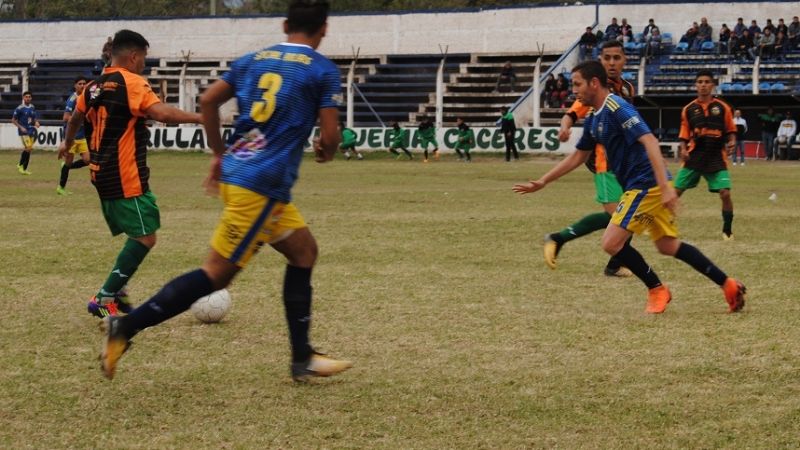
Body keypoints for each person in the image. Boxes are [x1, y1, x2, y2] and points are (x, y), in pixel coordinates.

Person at [98, 2, 353, 383]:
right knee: (215, 275)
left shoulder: (253, 59)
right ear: (325, 29)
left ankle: (302, 357)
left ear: (285, 24)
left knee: (304, 252)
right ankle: (126, 327)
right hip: (260, 186)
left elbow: (207, 100)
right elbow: (330, 137)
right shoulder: (322, 70)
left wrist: (220, 153)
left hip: (244, 174)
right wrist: (326, 149)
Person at [513, 60, 746, 315]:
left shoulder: (618, 107)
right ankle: (728, 285)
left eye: (577, 84)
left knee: (611, 243)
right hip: (645, 185)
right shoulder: (593, 118)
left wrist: (666, 189)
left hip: (645, 184)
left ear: (594, 83)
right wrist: (543, 181)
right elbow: (578, 156)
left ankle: (657, 289)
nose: (574, 91)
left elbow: (650, 142)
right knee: (667, 246)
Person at [58, 30, 202, 319]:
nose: (144, 66)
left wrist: (66, 142)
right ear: (134, 56)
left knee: (141, 228)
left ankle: (118, 289)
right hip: (123, 174)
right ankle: (104, 297)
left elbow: (76, 117)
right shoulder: (133, 82)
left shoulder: (94, 86)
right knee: (145, 237)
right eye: (144, 59)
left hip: (101, 173)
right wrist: (202, 117)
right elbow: (161, 114)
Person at [547, 39, 635, 277]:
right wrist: (564, 127)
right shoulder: (594, 87)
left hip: (625, 161)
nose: (612, 63)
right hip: (603, 161)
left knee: (628, 214)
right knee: (619, 216)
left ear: (625, 59)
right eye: (607, 58)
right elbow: (572, 112)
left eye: (617, 58)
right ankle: (560, 238)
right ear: (600, 60)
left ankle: (614, 264)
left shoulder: (627, 87)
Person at [675, 70, 738, 241]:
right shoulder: (688, 109)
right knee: (675, 192)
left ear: (713, 85)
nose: (703, 85)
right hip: (695, 154)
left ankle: (727, 230)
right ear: (696, 85)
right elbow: (684, 133)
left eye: (707, 82)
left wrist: (732, 141)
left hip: (716, 155)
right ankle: (664, 225)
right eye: (700, 82)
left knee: (725, 193)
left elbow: (731, 129)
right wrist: (683, 149)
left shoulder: (723, 107)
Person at [57, 76, 91, 195]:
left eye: (84, 83)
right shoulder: (73, 99)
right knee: (69, 161)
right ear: (75, 86)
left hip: (82, 136)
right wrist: (79, 120)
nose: (82, 86)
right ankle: (61, 188)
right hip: (71, 137)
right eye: (80, 84)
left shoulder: (86, 97)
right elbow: (66, 117)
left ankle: (67, 167)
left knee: (88, 160)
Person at [11, 91, 40, 175]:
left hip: (30, 130)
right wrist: (21, 127)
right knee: (28, 148)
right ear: (23, 98)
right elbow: (13, 120)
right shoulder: (19, 108)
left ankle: (24, 169)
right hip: (23, 131)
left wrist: (36, 122)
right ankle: (20, 164)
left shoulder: (32, 107)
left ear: (31, 98)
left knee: (29, 150)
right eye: (26, 97)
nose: (28, 98)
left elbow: (33, 118)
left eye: (29, 97)